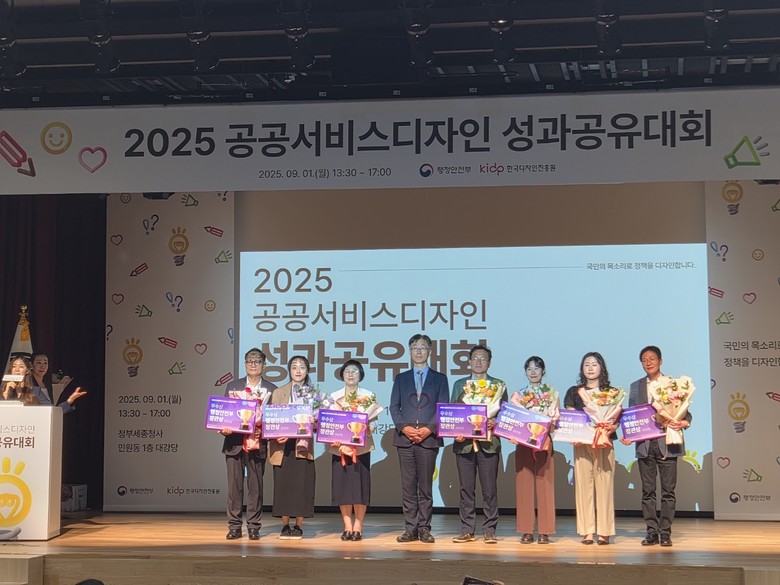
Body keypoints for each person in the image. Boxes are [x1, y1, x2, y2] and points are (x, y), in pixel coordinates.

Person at [623, 345, 691, 547]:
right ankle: (651, 532)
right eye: (644, 359)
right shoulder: (635, 386)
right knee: (648, 491)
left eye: (652, 358)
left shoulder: (673, 384)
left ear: (660, 361)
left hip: (667, 444)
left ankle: (666, 532)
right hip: (644, 446)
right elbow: (632, 415)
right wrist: (629, 435)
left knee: (668, 492)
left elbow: (686, 413)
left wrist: (684, 423)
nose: (648, 362)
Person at [389, 333, 449, 544]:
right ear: (409, 351)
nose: (419, 351)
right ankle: (410, 528)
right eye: (415, 347)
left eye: (423, 347)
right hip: (404, 440)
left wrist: (428, 429)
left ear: (430, 351)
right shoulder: (401, 378)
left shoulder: (440, 378)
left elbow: (443, 407)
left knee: (425, 486)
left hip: (428, 440)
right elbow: (394, 407)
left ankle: (424, 528)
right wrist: (404, 428)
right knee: (408, 486)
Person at [450, 344, 507, 544]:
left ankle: (489, 529)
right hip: (464, 444)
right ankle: (467, 529)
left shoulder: (498, 385)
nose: (479, 362)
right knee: (466, 488)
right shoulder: (460, 384)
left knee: (489, 489)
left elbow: (505, 414)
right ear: (469, 361)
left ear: (489, 362)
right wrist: (456, 431)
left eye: (483, 359)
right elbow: (453, 412)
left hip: (489, 443)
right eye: (475, 358)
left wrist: (495, 421)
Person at [218, 348, 277, 540]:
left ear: (264, 365)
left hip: (258, 443)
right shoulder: (233, 386)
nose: (253, 364)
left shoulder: (272, 389)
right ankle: (234, 526)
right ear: (244, 364)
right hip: (234, 443)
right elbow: (225, 414)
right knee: (234, 487)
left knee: (256, 488)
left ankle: (253, 526)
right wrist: (223, 428)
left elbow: (275, 419)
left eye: (257, 361)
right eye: (250, 361)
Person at [563, 352, 619, 546]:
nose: (590, 368)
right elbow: (570, 418)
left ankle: (604, 531)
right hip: (582, 444)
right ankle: (587, 531)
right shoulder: (574, 392)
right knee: (583, 487)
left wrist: (613, 426)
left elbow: (618, 420)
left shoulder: (611, 393)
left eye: (594, 364)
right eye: (586, 364)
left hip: (604, 442)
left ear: (601, 368)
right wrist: (573, 435)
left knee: (605, 486)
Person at [329, 359, 382, 541]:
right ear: (342, 375)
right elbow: (330, 422)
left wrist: (368, 428)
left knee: (360, 487)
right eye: (347, 371)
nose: (350, 374)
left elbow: (374, 420)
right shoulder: (334, 397)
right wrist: (336, 438)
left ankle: (358, 525)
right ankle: (347, 525)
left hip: (361, 448)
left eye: (354, 371)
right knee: (342, 488)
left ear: (361, 375)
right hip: (340, 449)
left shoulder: (368, 396)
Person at [510, 356, 559, 545]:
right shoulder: (518, 395)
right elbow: (513, 420)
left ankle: (545, 531)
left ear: (543, 371)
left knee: (545, 484)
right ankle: (526, 530)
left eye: (537, 368)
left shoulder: (552, 394)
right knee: (524, 484)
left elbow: (555, 420)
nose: (533, 372)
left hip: (544, 442)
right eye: (529, 369)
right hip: (524, 443)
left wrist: (548, 423)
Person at [267, 355, 317, 540]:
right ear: (289, 370)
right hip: (282, 446)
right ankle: (285, 525)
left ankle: (298, 526)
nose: (298, 370)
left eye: (302, 367)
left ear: (307, 370)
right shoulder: (278, 392)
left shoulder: (314, 394)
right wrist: (276, 435)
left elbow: (319, 423)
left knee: (302, 486)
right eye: (294, 367)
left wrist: (314, 421)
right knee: (283, 486)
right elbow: (271, 420)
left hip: (302, 447)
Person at [3, 355, 84, 412]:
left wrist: (69, 401)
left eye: (21, 367)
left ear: (27, 370)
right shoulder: (3, 388)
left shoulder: (34, 390)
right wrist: (6, 392)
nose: (17, 370)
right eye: (14, 366)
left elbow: (51, 410)